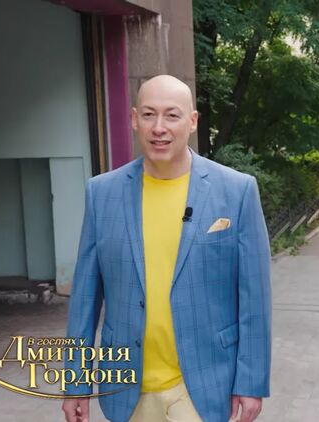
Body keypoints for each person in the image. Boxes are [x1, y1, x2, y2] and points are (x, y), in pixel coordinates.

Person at [62, 75, 272, 422]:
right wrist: (76, 381)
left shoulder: (237, 191)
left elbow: (255, 300)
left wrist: (250, 382)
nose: (159, 127)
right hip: (126, 389)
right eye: (148, 115)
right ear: (134, 119)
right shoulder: (102, 194)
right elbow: (84, 299)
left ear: (192, 121)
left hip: (205, 385)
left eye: (172, 115)